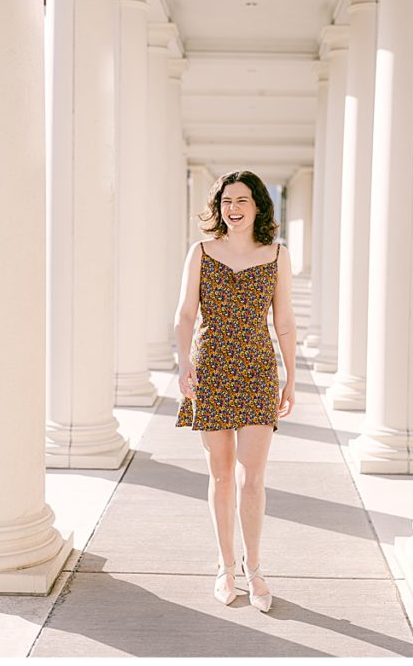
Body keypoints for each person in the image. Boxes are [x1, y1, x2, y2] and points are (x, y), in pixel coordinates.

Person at [174, 170, 297, 613]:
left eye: (242, 200)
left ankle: (254, 568)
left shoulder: (277, 254)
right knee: (222, 474)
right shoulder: (201, 252)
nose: (234, 208)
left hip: (258, 370)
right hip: (211, 369)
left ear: (258, 205)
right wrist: (184, 363)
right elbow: (185, 314)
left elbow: (285, 321)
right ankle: (225, 567)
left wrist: (291, 377)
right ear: (218, 207)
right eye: (227, 201)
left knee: (253, 478)